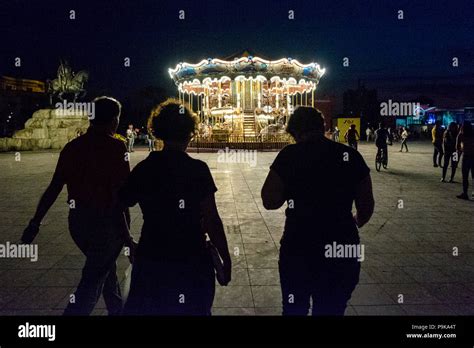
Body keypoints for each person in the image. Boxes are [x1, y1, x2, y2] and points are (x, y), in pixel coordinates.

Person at [21, 97, 134, 315]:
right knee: (91, 283)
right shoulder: (116, 148)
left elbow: (54, 187)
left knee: (104, 269)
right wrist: (127, 237)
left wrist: (35, 223)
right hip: (106, 224)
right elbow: (119, 197)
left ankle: (117, 310)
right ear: (114, 120)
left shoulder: (73, 147)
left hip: (79, 223)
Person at [120, 99, 231, 315]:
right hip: (191, 254)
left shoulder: (145, 168)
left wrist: (128, 242)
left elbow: (118, 205)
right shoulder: (197, 169)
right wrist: (225, 258)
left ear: (157, 131)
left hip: (152, 253)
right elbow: (212, 219)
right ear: (190, 133)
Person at [261, 107, 374, 316]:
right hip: (341, 243)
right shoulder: (350, 156)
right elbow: (366, 206)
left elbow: (269, 200)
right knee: (332, 308)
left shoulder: (290, 156)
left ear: (294, 131)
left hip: (299, 244)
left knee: (295, 308)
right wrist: (352, 223)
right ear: (322, 127)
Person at [456, 122, 474, 200]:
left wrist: (463, 149)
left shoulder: (461, 135)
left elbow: (457, 147)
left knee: (465, 177)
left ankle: (465, 193)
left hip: (466, 157)